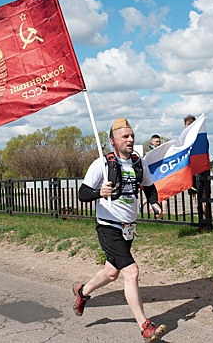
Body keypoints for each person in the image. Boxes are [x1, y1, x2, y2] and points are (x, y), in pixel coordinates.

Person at [74, 117, 166, 342]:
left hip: (128, 227)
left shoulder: (138, 162)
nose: (131, 139)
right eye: (125, 136)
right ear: (112, 141)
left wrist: (154, 203)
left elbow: (149, 186)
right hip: (108, 226)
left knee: (111, 273)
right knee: (131, 272)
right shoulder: (101, 164)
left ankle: (82, 292)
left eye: (132, 135)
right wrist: (99, 193)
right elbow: (82, 194)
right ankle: (145, 326)